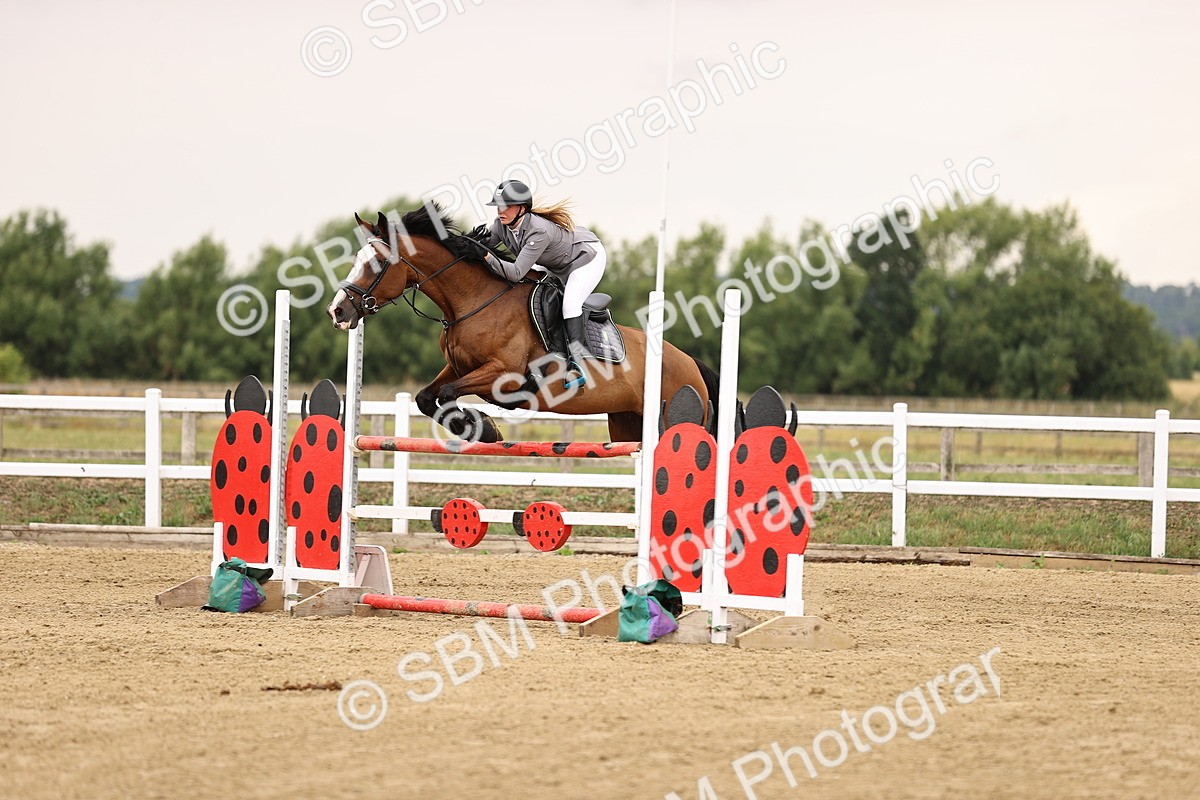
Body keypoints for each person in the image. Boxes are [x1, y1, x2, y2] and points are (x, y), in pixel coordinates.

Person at [477, 179, 607, 389]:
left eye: (506, 206)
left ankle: (577, 364)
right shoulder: (501, 225)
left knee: (570, 304)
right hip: (555, 261)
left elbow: (516, 273)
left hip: (585, 258)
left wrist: (488, 258)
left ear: (522, 209)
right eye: (499, 206)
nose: (501, 211)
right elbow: (482, 245)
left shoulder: (539, 230)